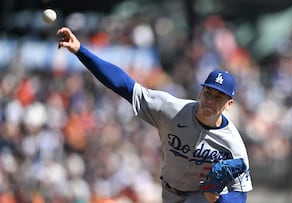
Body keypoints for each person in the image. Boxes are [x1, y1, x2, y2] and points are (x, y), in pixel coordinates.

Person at [57, 27, 253, 203]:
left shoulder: (232, 143)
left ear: (229, 104)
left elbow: (240, 194)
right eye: (208, 93)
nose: (211, 100)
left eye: (218, 97)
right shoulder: (171, 109)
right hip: (169, 193)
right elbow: (123, 85)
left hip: (200, 195)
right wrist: (81, 51)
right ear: (201, 92)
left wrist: (217, 199)